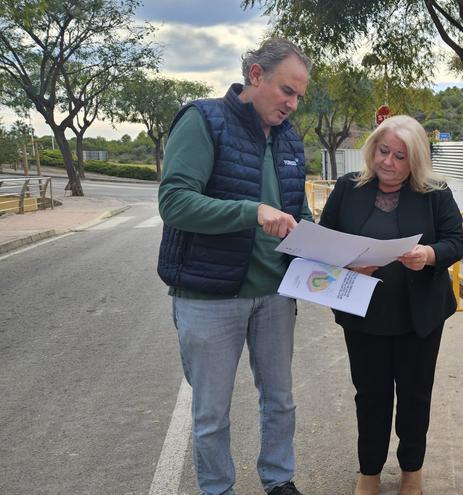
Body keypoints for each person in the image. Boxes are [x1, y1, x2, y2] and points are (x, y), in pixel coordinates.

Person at [157, 38, 313, 495]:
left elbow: (294, 213)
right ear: (256, 75)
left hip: (275, 296)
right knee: (211, 412)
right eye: (287, 90)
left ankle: (279, 479)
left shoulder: (289, 138)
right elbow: (174, 202)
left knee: (280, 401)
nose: (292, 103)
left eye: (299, 95)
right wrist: (251, 211)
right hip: (209, 297)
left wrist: (336, 257)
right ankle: (218, 489)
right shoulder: (203, 120)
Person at [318, 115, 463, 495]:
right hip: (363, 312)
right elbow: (325, 239)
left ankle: (411, 470)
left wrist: (430, 254)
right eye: (384, 151)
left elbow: (455, 240)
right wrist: (347, 261)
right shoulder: (348, 188)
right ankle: (368, 471)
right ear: (373, 149)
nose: (389, 162)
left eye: (401, 157)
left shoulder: (435, 191)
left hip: (420, 316)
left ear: (415, 160)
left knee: (416, 394)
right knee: (370, 394)